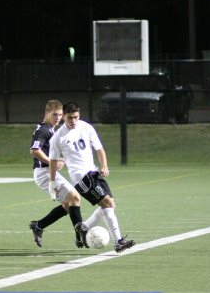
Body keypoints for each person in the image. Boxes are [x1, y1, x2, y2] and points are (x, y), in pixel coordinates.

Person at [49, 100, 135, 253]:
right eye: (70, 117)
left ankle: (83, 228)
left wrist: (104, 166)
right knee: (107, 203)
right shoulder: (58, 137)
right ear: (64, 117)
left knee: (109, 206)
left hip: (94, 173)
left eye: (76, 117)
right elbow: (53, 161)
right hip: (81, 178)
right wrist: (52, 182)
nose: (73, 121)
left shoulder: (86, 127)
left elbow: (99, 149)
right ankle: (118, 242)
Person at [29, 99, 87, 248]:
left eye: (60, 115)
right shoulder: (44, 130)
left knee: (69, 204)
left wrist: (58, 160)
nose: (58, 118)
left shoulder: (51, 130)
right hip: (44, 173)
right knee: (74, 198)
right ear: (47, 113)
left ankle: (39, 225)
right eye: (55, 114)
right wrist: (51, 161)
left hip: (47, 170)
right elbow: (34, 150)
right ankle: (80, 236)